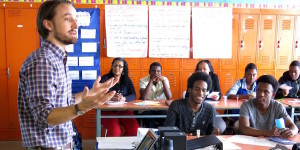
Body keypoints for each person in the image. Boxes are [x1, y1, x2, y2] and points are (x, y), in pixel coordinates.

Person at [18, 0, 117, 149]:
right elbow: (44, 116)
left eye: (75, 20)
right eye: (67, 19)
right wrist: (81, 108)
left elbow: (63, 101)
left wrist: (90, 93)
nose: (76, 25)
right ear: (49, 25)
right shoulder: (43, 61)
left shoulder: (58, 59)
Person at [100, 57, 139, 136]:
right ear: (112, 67)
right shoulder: (105, 78)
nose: (117, 68)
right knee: (114, 132)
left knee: (134, 129)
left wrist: (124, 98)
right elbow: (98, 95)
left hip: (124, 110)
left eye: (120, 66)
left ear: (123, 69)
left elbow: (133, 95)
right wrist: (109, 97)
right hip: (108, 111)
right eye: (115, 65)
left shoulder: (126, 80)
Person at [185, 60, 225, 134]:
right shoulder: (193, 78)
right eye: (199, 69)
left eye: (204, 69)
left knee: (220, 126)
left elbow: (219, 94)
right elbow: (187, 95)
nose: (202, 71)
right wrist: (206, 97)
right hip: (194, 109)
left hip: (210, 109)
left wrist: (217, 97)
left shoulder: (214, 77)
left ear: (210, 69)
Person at [139, 62, 172, 128]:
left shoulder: (165, 79)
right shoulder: (143, 80)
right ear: (149, 72)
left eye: (158, 71)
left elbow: (169, 97)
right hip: (147, 108)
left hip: (161, 107)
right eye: (153, 71)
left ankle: (162, 136)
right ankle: (151, 137)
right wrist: (151, 81)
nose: (156, 73)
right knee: (149, 122)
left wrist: (163, 82)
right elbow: (144, 97)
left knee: (166, 121)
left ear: (161, 72)